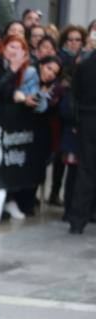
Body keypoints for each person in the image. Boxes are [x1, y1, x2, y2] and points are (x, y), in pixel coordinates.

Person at [68, 49, 96, 234]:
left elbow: (74, 95)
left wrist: (75, 120)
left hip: (87, 120)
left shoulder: (84, 65)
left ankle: (77, 221)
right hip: (87, 117)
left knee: (85, 170)